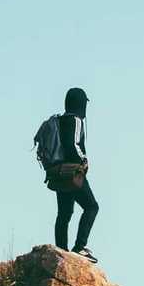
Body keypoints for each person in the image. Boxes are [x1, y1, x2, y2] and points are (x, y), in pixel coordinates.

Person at [36, 86, 98, 262]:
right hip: (73, 171)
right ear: (80, 103)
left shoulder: (58, 120)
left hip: (58, 172)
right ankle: (80, 247)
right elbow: (73, 145)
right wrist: (83, 160)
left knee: (64, 213)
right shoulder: (76, 120)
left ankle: (61, 251)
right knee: (92, 206)